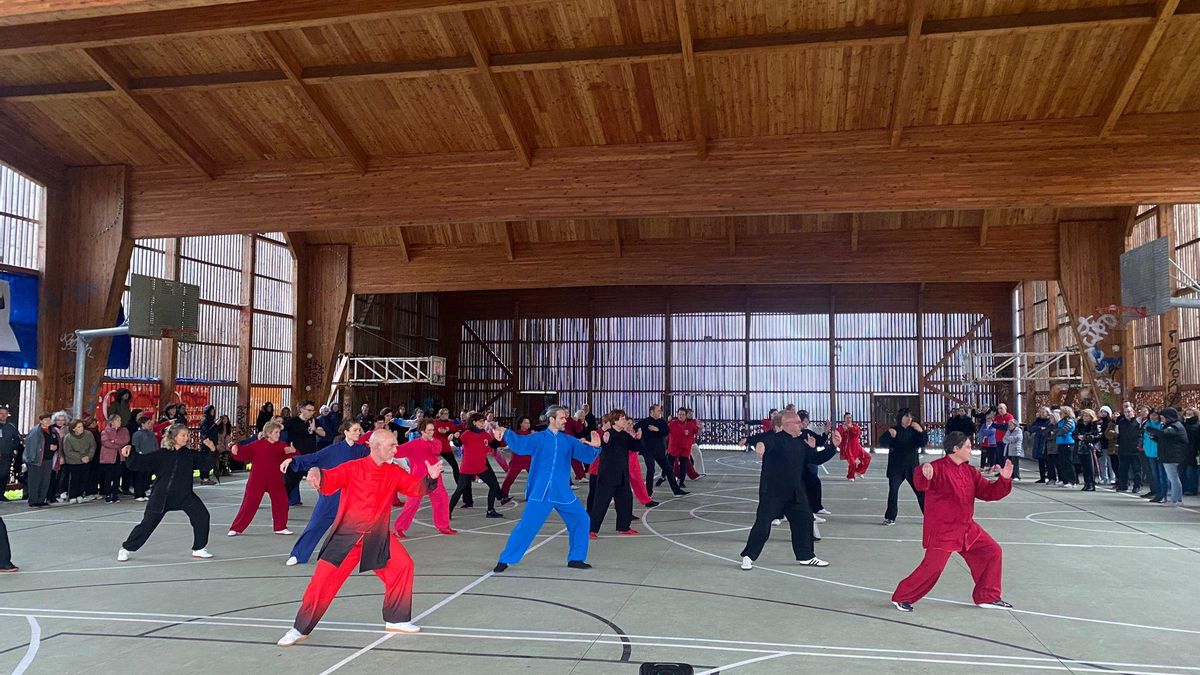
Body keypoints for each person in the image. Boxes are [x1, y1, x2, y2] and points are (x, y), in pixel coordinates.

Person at [276, 430, 442, 647]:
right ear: (375, 447)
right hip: (346, 536)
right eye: (391, 445)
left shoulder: (395, 472)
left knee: (402, 566)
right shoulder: (353, 468)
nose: (396, 449)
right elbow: (328, 478)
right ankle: (299, 629)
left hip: (376, 536)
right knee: (322, 583)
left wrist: (431, 478)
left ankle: (397, 619)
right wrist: (316, 472)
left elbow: (415, 488)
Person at [891, 431, 1014, 612]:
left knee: (992, 551)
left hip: (967, 528)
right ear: (955, 448)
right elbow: (920, 482)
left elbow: (988, 492)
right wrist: (924, 473)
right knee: (933, 568)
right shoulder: (936, 467)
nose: (971, 450)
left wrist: (1004, 479)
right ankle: (902, 597)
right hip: (943, 530)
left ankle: (987, 596)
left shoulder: (969, 471)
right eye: (968, 447)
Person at [491, 406, 601, 573]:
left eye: (565, 417)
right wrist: (504, 431)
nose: (565, 420)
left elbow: (586, 455)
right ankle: (506, 559)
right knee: (527, 526)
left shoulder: (568, 440)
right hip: (541, 491)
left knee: (582, 520)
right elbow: (520, 445)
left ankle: (576, 558)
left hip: (563, 492)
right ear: (552, 419)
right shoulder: (538, 438)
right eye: (562, 417)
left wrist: (595, 447)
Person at [739, 410, 840, 570]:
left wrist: (833, 446)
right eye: (798, 422)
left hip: (795, 492)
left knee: (805, 520)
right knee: (763, 525)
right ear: (787, 425)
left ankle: (806, 556)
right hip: (773, 493)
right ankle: (748, 556)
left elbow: (816, 459)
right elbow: (764, 443)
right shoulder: (775, 439)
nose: (801, 425)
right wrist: (759, 447)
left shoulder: (801, 441)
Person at [117, 423, 213, 561]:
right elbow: (139, 462)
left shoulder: (190, 455)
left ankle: (199, 548)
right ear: (174, 437)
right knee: (147, 524)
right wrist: (130, 450)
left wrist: (212, 450)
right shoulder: (161, 454)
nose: (187, 438)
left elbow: (206, 465)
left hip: (185, 496)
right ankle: (126, 548)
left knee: (202, 516)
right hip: (161, 497)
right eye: (183, 435)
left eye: (187, 435)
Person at [281, 420, 370, 566]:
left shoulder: (362, 451)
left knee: (365, 525)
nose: (358, 433)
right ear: (346, 432)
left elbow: (377, 460)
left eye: (359, 430)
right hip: (331, 496)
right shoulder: (332, 450)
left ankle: (367, 556)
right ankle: (298, 554)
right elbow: (313, 458)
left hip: (352, 496)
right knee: (316, 524)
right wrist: (291, 460)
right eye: (355, 430)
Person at [227, 421, 295, 536]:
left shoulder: (283, 446)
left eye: (279, 432)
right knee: (249, 504)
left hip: (275, 480)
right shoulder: (257, 445)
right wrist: (234, 448)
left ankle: (280, 527)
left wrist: (294, 452)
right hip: (257, 480)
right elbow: (241, 452)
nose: (279, 434)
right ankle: (236, 528)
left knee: (282, 502)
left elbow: (293, 457)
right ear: (268, 433)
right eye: (276, 432)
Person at [393, 419, 456, 538]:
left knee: (442, 499)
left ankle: (443, 526)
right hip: (418, 479)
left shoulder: (436, 442)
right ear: (422, 431)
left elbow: (436, 451)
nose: (432, 432)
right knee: (412, 504)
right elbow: (397, 451)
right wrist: (382, 447)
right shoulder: (413, 444)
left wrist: (431, 440)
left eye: (433, 430)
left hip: (435, 477)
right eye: (429, 430)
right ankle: (399, 528)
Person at [588, 410, 642, 537]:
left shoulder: (624, 435)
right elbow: (605, 441)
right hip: (607, 475)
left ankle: (623, 526)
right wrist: (604, 439)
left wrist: (638, 438)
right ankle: (592, 529)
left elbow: (635, 447)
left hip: (622, 475)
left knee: (625, 501)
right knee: (601, 503)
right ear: (615, 421)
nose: (625, 421)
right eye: (622, 419)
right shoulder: (608, 434)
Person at [448, 413, 510, 518]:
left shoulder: (485, 434)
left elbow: (494, 444)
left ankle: (490, 511)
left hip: (481, 467)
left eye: (483, 421)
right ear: (474, 422)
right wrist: (454, 438)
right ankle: (448, 512)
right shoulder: (467, 433)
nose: (482, 423)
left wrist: (499, 437)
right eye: (480, 421)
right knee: (460, 489)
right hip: (467, 467)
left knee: (494, 486)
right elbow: (458, 443)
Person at [881, 408, 928, 526]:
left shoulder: (915, 431)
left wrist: (921, 431)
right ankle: (890, 517)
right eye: (906, 416)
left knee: (920, 492)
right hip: (896, 467)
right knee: (893, 491)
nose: (909, 419)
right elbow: (882, 442)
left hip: (912, 467)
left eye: (910, 416)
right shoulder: (894, 430)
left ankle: (929, 516)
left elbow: (923, 443)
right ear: (900, 418)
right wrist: (889, 435)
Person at [636, 405, 686, 498]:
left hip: (659, 451)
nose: (660, 412)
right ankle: (648, 492)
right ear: (652, 412)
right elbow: (635, 429)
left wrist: (657, 429)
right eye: (658, 411)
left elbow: (666, 431)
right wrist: (639, 432)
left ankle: (676, 491)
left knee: (668, 469)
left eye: (660, 411)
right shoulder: (644, 422)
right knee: (651, 470)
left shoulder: (661, 422)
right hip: (648, 451)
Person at [282, 400, 322, 506]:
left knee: (321, 482)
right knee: (288, 484)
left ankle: (328, 505)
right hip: (297, 458)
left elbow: (324, 433)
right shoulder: (292, 421)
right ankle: (280, 505)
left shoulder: (314, 421)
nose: (311, 413)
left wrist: (314, 429)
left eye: (313, 411)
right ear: (302, 409)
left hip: (311, 457)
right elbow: (279, 428)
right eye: (309, 410)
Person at [1146, 407, 1187, 505]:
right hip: (1169, 455)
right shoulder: (1171, 426)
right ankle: (1176, 499)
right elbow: (1164, 439)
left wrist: (1151, 429)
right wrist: (1154, 437)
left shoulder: (1175, 426)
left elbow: (1164, 434)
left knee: (1173, 478)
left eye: (1163, 417)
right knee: (1173, 478)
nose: (1162, 420)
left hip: (1172, 456)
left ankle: (1175, 499)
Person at [22, 413, 56, 508]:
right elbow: (31, 446)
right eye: (45, 419)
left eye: (49, 419)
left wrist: (55, 447)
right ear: (41, 421)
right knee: (35, 481)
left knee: (45, 480)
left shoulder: (52, 430)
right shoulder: (35, 431)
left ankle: (42, 499)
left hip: (48, 458)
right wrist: (32, 459)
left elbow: (55, 441)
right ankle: (33, 500)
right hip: (36, 459)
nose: (48, 421)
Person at [61, 419, 96, 504]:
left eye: (82, 426)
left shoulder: (89, 434)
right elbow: (68, 451)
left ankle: (80, 494)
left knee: (84, 478)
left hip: (86, 460)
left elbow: (93, 446)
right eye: (79, 427)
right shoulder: (68, 438)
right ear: (74, 429)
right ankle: (72, 495)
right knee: (74, 479)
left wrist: (89, 456)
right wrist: (81, 457)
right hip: (73, 461)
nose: (81, 428)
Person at [499, 416, 534, 500]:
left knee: (535, 478)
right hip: (517, 460)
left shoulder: (532, 434)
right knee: (509, 478)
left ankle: (531, 495)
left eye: (528, 423)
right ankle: (503, 495)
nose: (528, 424)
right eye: (525, 422)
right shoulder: (515, 434)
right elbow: (503, 442)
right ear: (520, 424)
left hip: (529, 459)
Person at [98, 413, 130, 503]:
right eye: (117, 420)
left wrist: (115, 441)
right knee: (108, 476)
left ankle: (115, 494)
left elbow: (125, 440)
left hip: (119, 456)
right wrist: (116, 443)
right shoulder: (105, 431)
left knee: (117, 476)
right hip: (108, 457)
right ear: (112, 422)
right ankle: (107, 493)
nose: (120, 422)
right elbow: (106, 443)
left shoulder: (124, 430)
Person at [129, 414, 159, 501]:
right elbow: (135, 446)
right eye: (148, 423)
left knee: (148, 476)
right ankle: (138, 494)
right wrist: (140, 453)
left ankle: (145, 492)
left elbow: (155, 444)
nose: (150, 424)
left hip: (151, 457)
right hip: (141, 458)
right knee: (140, 476)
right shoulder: (137, 434)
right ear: (142, 424)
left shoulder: (151, 433)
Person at [836, 413, 870, 480]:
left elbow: (858, 433)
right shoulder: (841, 427)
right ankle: (850, 476)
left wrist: (851, 428)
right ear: (844, 419)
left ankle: (859, 471)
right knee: (852, 463)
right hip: (848, 448)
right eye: (847, 418)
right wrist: (844, 430)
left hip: (857, 446)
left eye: (850, 418)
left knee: (868, 457)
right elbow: (838, 435)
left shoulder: (855, 426)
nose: (849, 419)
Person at [1076, 409, 1101, 491]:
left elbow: (1097, 435)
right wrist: (1078, 437)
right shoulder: (1080, 424)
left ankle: (1091, 484)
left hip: (1090, 447)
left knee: (1090, 467)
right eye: (1084, 415)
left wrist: (1087, 437)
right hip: (1081, 447)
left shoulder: (1095, 424)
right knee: (1084, 467)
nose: (1085, 417)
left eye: (1087, 416)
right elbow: (1074, 434)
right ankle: (1086, 483)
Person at [0, 405, 21, 502]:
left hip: (6, 456)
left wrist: (12, 449)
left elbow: (17, 440)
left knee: (4, 475)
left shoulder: (11, 427)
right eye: (1, 413)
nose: (3, 416)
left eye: (5, 414)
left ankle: (1, 494)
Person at [1142, 408, 1164, 502]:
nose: (1152, 417)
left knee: (1161, 474)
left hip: (1159, 452)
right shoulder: (1146, 424)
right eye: (1151, 414)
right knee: (1154, 474)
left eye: (1155, 415)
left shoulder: (1161, 425)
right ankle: (1156, 492)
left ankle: (1162, 494)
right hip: (1149, 452)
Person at [1028, 407, 1054, 484]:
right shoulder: (1037, 421)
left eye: (1044, 412)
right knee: (1040, 461)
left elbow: (1047, 429)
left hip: (1045, 441)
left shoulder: (1049, 421)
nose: (1042, 414)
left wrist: (1042, 429)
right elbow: (1031, 428)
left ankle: (1050, 477)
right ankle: (1042, 477)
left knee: (1048, 461)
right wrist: (1040, 428)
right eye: (1041, 412)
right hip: (1038, 441)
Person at [1054, 406, 1078, 487]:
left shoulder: (1070, 421)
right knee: (1062, 462)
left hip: (1067, 442)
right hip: (1060, 443)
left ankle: (1072, 481)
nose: (1060, 415)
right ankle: (1064, 480)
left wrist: (1056, 432)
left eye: (1061, 413)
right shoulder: (1061, 421)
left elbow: (1063, 430)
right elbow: (1054, 430)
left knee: (1068, 462)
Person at [198, 405, 220, 485]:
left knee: (210, 460)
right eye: (211, 411)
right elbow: (206, 432)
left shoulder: (211, 420)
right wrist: (215, 425)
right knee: (205, 461)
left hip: (212, 443)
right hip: (206, 443)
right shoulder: (204, 420)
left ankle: (207, 478)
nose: (213, 413)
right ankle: (205, 478)